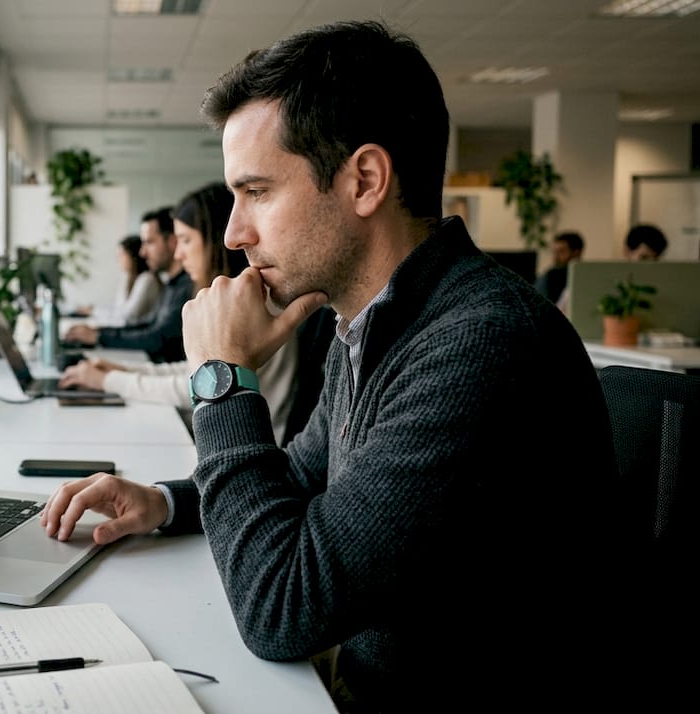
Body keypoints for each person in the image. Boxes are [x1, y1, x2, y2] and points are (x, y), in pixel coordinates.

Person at [41, 20, 642, 712]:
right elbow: (301, 475)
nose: (234, 233)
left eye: (257, 192)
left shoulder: (481, 342)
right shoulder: (372, 320)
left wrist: (222, 380)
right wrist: (169, 503)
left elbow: (282, 609)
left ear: (364, 180)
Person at [59, 181, 331, 445]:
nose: (178, 254)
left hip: (246, 446)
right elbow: (198, 372)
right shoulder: (235, 301)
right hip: (220, 436)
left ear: (214, 241)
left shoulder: (257, 305)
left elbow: (198, 387)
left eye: (186, 240)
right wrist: (125, 370)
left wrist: (110, 380)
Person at [63, 208, 193, 363]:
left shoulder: (186, 287)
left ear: (172, 242)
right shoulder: (172, 284)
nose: (143, 253)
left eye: (149, 242)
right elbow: (149, 326)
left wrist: (99, 336)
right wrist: (99, 333)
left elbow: (157, 338)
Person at [74, 234, 162, 325]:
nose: (118, 260)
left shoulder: (147, 279)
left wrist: (94, 311)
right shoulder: (127, 277)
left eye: (122, 255)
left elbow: (127, 317)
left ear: (134, 257)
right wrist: (93, 310)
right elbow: (118, 310)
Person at [533, 230, 582, 303]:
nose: (555, 257)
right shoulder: (550, 275)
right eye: (555, 252)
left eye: (561, 251)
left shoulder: (586, 276)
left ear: (576, 253)